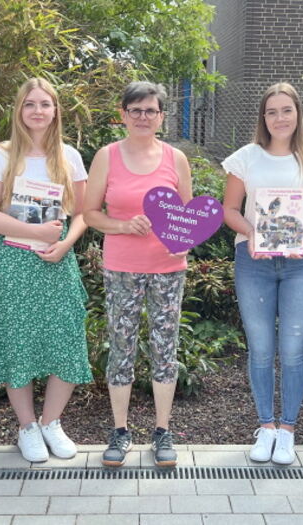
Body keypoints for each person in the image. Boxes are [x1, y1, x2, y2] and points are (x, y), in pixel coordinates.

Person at [221, 82, 303, 465]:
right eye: (271, 111)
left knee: (291, 351)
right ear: (263, 117)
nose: (279, 118)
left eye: (286, 110)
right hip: (254, 262)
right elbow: (230, 211)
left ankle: (287, 430)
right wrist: (250, 232)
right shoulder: (245, 158)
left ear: (298, 113)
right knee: (259, 349)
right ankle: (266, 427)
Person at [0, 78, 92, 462]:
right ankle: (26, 426)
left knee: (66, 340)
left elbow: (83, 214)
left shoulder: (69, 156)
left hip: (57, 261)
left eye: (45, 104)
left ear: (56, 110)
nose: (37, 111)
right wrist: (34, 231)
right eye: (30, 104)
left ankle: (51, 422)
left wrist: (65, 242)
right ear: (18, 110)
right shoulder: (2, 155)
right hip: (13, 262)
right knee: (18, 343)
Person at [82, 81, 192, 468]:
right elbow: (90, 214)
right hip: (122, 268)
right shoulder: (106, 156)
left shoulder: (176, 159)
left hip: (167, 269)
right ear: (123, 114)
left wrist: (183, 242)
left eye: (151, 111)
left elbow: (185, 219)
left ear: (162, 116)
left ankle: (163, 431)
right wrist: (123, 226)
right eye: (136, 110)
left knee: (165, 349)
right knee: (122, 348)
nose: (143, 117)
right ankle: (120, 430)